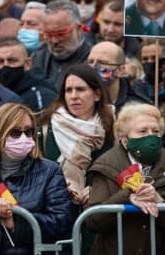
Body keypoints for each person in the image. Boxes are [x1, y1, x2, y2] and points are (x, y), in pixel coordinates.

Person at [0, 103, 73, 254]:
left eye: (29, 132)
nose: (24, 137)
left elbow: (61, 222)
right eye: (15, 132)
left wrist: (15, 222)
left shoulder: (50, 171)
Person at [85, 103, 165, 255]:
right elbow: (93, 221)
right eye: (142, 131)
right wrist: (127, 197)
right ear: (124, 140)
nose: (151, 136)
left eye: (155, 131)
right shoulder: (106, 166)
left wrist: (161, 201)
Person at [39, 64, 114, 209]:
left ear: (97, 94)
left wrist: (99, 191)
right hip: (57, 214)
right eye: (68, 90)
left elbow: (122, 172)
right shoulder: (45, 129)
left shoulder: (114, 128)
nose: (74, 96)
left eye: (80, 89)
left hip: (98, 217)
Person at [32, 0, 92, 89]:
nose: (54, 41)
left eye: (60, 34)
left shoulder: (93, 59)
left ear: (78, 28)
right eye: (48, 34)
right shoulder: (38, 57)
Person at [0, 37, 56, 112]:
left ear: (27, 64)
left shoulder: (42, 96)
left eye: (12, 60)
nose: (5, 66)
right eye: (0, 61)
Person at [86, 41, 150, 112]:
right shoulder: (78, 99)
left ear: (120, 70)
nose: (93, 67)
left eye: (102, 62)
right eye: (90, 62)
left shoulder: (137, 107)